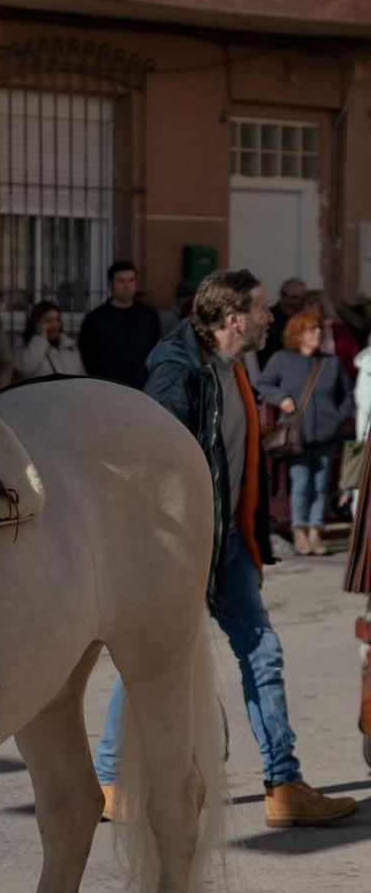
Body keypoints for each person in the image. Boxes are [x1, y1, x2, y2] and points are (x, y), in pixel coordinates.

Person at [94, 269, 356, 829]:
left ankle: (283, 785)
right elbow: (153, 464)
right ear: (234, 319)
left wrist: (250, 543)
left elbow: (240, 470)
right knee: (153, 660)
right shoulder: (178, 371)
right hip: (183, 550)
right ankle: (110, 780)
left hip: (229, 545)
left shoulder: (235, 368)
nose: (270, 317)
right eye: (261, 309)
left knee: (264, 654)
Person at [257, 310, 353, 556]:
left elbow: (347, 394)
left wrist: (338, 417)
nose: (318, 333)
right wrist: (281, 398)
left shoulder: (331, 362)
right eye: (312, 329)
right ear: (298, 333)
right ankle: (299, 529)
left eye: (319, 328)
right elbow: (263, 384)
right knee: (301, 483)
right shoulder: (282, 359)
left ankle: (315, 531)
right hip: (297, 434)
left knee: (320, 485)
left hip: (326, 434)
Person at [76, 260, 162, 389]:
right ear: (111, 283)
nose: (127, 285)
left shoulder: (148, 315)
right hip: (108, 389)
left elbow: (157, 349)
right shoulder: (94, 319)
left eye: (131, 280)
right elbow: (86, 354)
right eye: (121, 281)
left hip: (143, 388)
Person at [13, 301, 86, 380]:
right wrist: (41, 340)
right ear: (36, 323)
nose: (55, 325)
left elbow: (82, 376)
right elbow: (25, 369)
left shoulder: (69, 346)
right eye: (48, 321)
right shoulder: (24, 344)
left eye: (57, 320)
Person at [256, 277, 307, 370]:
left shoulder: (308, 320)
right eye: (284, 295)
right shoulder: (266, 317)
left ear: (304, 299)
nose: (288, 301)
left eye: (295, 297)